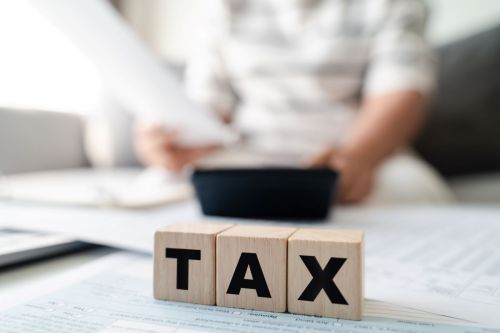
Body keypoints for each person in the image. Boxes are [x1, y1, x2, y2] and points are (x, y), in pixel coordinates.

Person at [135, 0, 453, 205]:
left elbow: (401, 90)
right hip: (247, 154)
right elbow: (207, 100)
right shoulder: (223, 7)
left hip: (360, 155)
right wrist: (173, 139)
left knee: (414, 191)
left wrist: (357, 156)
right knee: (155, 188)